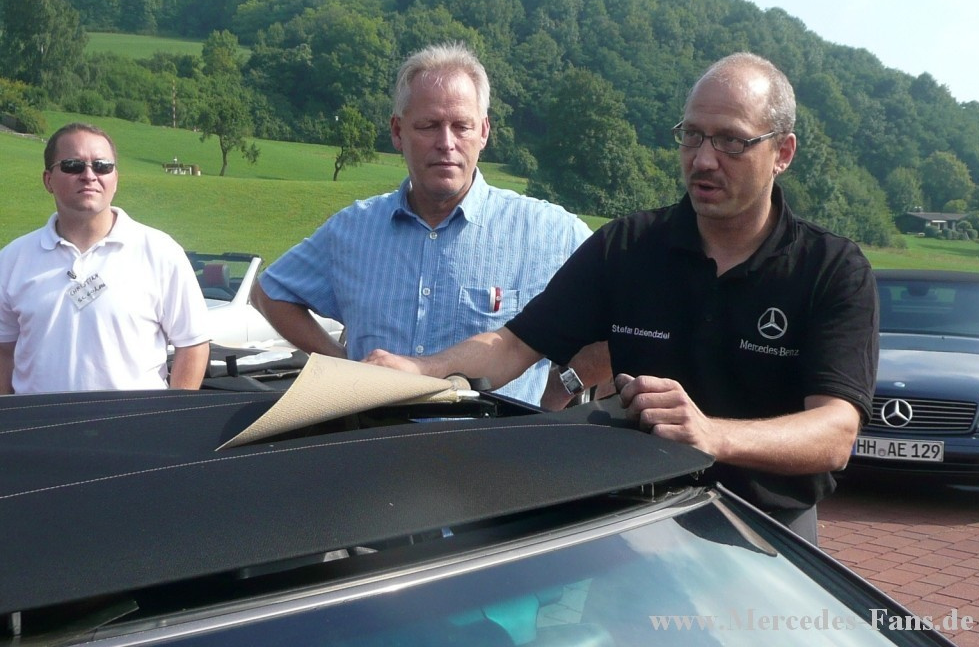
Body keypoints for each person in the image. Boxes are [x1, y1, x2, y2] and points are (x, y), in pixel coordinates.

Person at [365, 52, 879, 543]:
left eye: (731, 141)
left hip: (766, 534)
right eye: (692, 135)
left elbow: (835, 434)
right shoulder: (628, 247)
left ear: (782, 153)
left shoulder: (830, 269)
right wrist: (421, 370)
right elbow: (513, 345)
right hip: (634, 529)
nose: (703, 159)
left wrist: (713, 435)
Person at [251, 42, 609, 404]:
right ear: (397, 131)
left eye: (462, 126)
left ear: (484, 131)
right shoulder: (352, 230)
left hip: (495, 439)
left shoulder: (549, 233)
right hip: (374, 434)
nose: (446, 143)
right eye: (429, 126)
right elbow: (270, 292)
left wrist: (563, 386)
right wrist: (342, 364)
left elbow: (626, 313)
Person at [0, 123, 210, 394]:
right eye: (73, 165)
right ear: (48, 180)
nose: (89, 175)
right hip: (41, 420)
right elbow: (3, 351)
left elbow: (193, 344)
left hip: (133, 420)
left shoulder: (161, 252)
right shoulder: (12, 260)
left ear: (115, 178)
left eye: (102, 166)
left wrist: (172, 413)